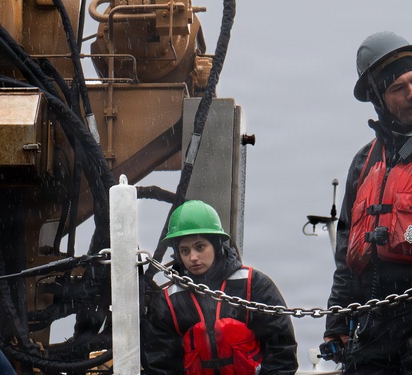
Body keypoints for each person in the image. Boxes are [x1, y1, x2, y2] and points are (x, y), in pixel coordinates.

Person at [323, 31, 412, 374]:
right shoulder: (364, 163)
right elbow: (347, 256)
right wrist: (337, 323)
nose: (410, 93)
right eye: (397, 88)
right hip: (375, 328)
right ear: (378, 99)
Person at [143, 200, 298, 374]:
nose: (193, 257)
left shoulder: (254, 286)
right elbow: (161, 365)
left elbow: (281, 351)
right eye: (185, 251)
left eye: (200, 247)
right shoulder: (167, 302)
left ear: (216, 245)